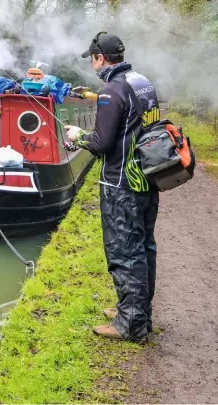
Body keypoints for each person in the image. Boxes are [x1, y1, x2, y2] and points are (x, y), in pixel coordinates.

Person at [65, 32, 160, 342]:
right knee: (144, 247)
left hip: (121, 184)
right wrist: (97, 99)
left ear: (100, 58)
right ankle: (136, 309)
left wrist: (75, 135)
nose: (92, 64)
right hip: (147, 178)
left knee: (125, 252)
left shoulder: (111, 90)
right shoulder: (140, 80)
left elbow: (101, 143)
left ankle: (130, 324)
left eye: (92, 59)